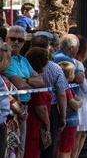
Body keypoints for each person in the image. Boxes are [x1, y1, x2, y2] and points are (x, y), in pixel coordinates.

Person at [4, 26, 46, 155]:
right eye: (13, 39)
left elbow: (40, 81)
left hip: (25, 107)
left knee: (21, 146)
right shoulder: (4, 59)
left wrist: (24, 80)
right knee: (10, 148)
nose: (16, 42)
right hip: (10, 109)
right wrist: (27, 80)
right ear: (6, 39)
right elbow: (20, 85)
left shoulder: (23, 60)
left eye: (20, 40)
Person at [24, 47, 52, 158]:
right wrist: (47, 123)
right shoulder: (37, 81)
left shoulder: (34, 77)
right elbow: (41, 107)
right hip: (35, 125)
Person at [58, 61, 82, 158]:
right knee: (65, 149)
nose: (74, 75)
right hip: (69, 121)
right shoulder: (65, 88)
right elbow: (75, 104)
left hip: (70, 121)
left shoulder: (68, 87)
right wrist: (80, 103)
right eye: (73, 72)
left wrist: (78, 101)